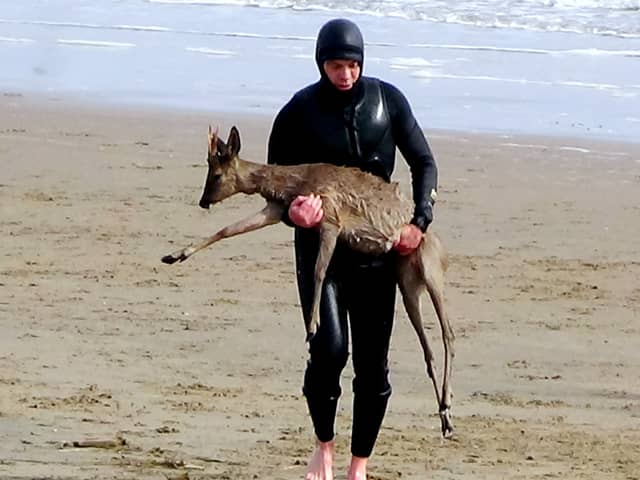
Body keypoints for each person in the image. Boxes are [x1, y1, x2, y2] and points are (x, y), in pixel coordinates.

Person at [267, 18, 438, 480]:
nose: (345, 74)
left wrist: (419, 222)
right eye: (336, 65)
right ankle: (323, 445)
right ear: (322, 64)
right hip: (321, 253)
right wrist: (292, 215)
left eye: (353, 65)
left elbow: (424, 162)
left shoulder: (387, 102)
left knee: (372, 365)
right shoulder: (299, 112)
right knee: (328, 352)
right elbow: (274, 185)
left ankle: (358, 465)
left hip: (377, 253)